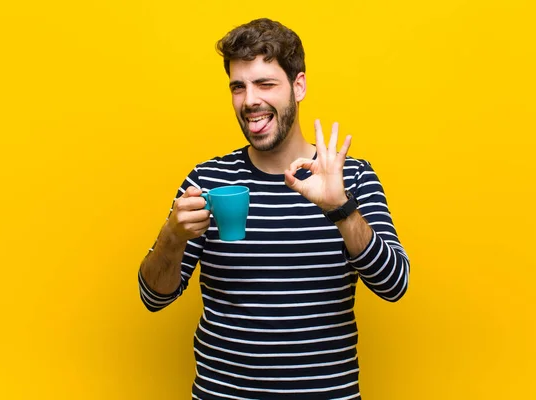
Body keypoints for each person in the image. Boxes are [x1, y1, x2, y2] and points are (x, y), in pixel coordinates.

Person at [138, 17, 410, 400]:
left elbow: (395, 285)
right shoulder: (207, 178)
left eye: (265, 84)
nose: (250, 100)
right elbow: (154, 298)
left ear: (298, 86)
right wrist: (172, 235)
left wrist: (342, 209)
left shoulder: (351, 177)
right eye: (238, 87)